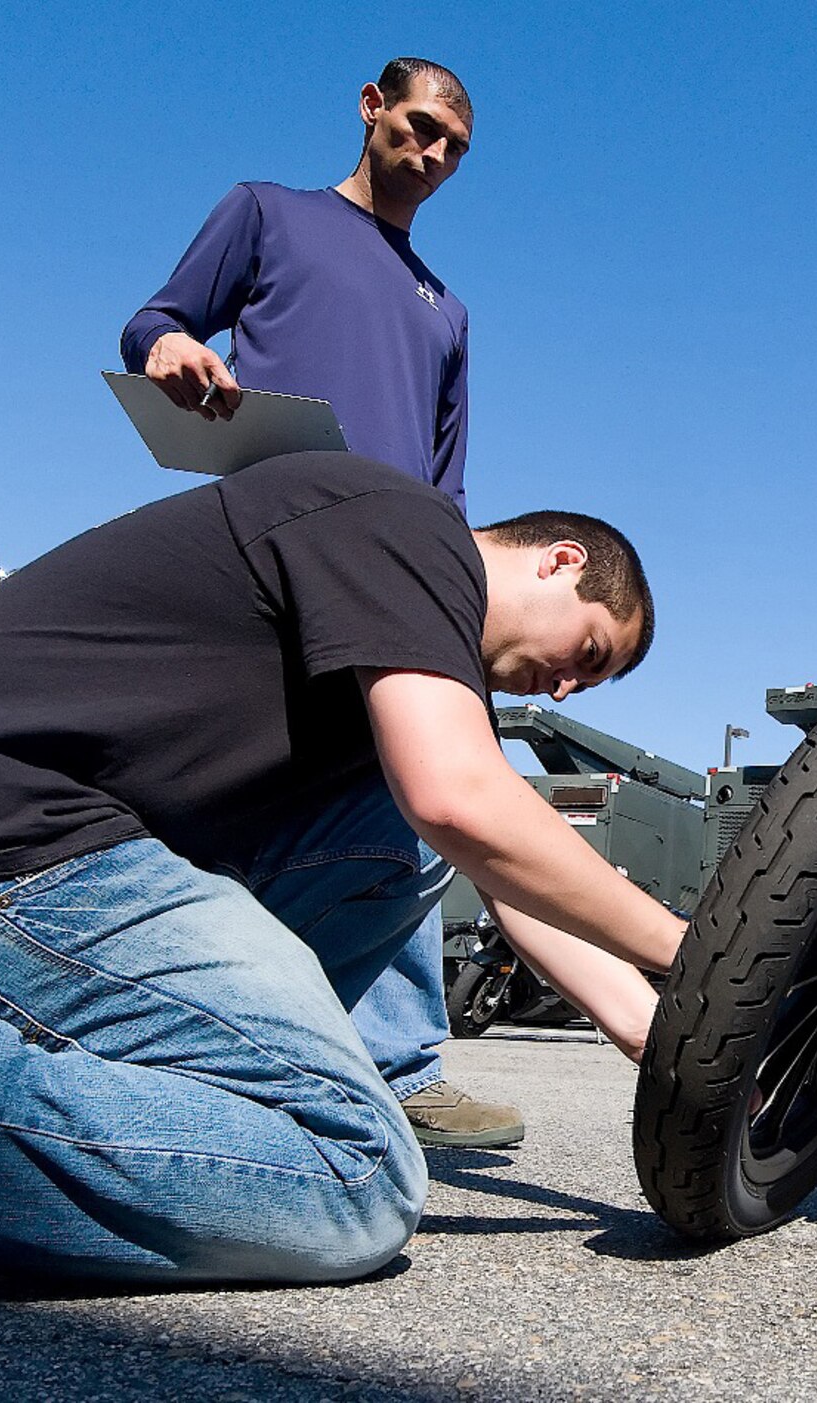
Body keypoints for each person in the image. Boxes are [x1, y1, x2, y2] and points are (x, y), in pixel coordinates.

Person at [0, 452, 684, 1283]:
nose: (571, 689)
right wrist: (695, 947)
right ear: (561, 560)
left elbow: (503, 868)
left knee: (421, 847)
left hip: (11, 852)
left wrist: (659, 1026)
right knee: (353, 1174)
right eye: (591, 651)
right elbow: (459, 799)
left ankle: (189, 1103)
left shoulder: (395, 660)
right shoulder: (405, 523)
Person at [118, 57, 511, 1147]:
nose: (430, 155)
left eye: (453, 148)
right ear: (371, 108)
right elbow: (156, 316)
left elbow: (449, 481)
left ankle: (401, 1062)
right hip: (273, 548)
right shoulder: (267, 213)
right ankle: (183, 1014)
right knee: (236, 783)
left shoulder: (448, 309)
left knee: (405, 788)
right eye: (419, 126)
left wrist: (460, 592)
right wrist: (170, 347)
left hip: (391, 576)